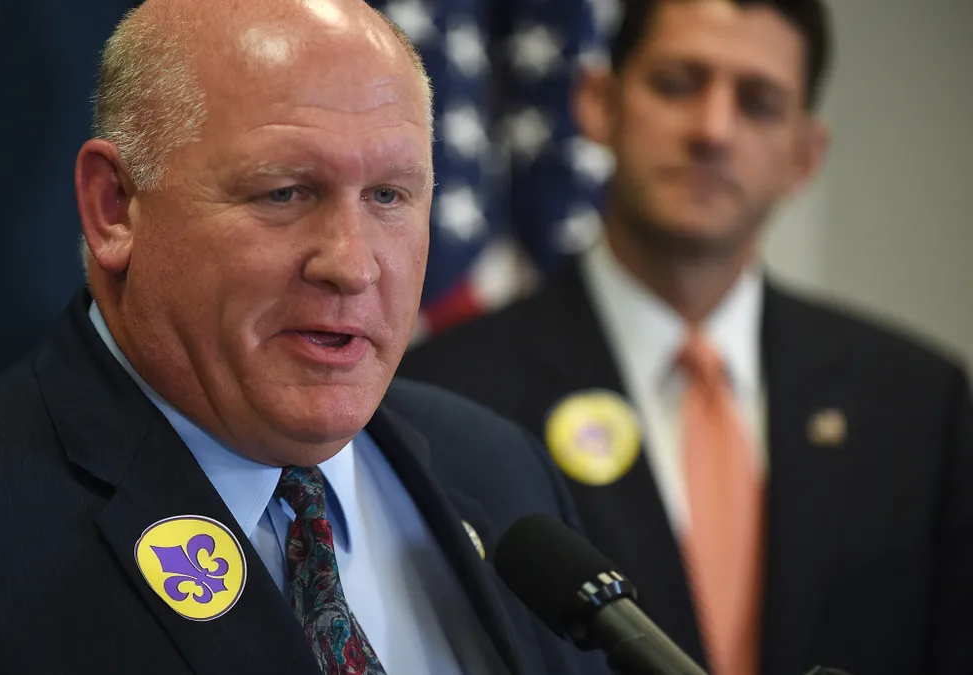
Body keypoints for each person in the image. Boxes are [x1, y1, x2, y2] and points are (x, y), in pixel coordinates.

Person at [0, 1, 614, 674]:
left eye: (391, 196)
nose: (353, 265)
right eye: (286, 192)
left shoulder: (501, 472)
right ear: (114, 207)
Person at [399, 1, 973, 674]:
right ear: (598, 103)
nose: (713, 129)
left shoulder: (915, 403)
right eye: (677, 84)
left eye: (758, 103)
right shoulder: (446, 390)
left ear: (805, 155)